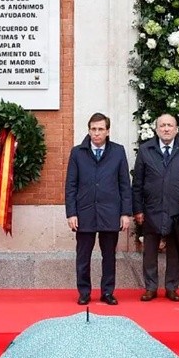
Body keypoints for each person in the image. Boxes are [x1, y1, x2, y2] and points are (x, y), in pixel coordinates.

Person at [132, 113, 179, 302]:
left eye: (169, 125)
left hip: (176, 210)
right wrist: (138, 210)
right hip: (151, 209)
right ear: (156, 129)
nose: (166, 129)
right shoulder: (145, 150)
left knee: (175, 252)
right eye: (162, 125)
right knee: (149, 251)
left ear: (176, 129)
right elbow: (137, 183)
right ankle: (150, 288)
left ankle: (172, 288)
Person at [64, 113, 132, 306]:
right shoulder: (77, 153)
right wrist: (71, 213)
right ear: (89, 130)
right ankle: (84, 292)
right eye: (93, 129)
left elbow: (124, 185)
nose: (96, 133)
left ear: (107, 131)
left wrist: (125, 213)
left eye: (101, 129)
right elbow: (71, 185)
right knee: (83, 256)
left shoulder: (118, 152)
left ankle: (107, 292)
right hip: (84, 212)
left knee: (109, 256)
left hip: (110, 212)